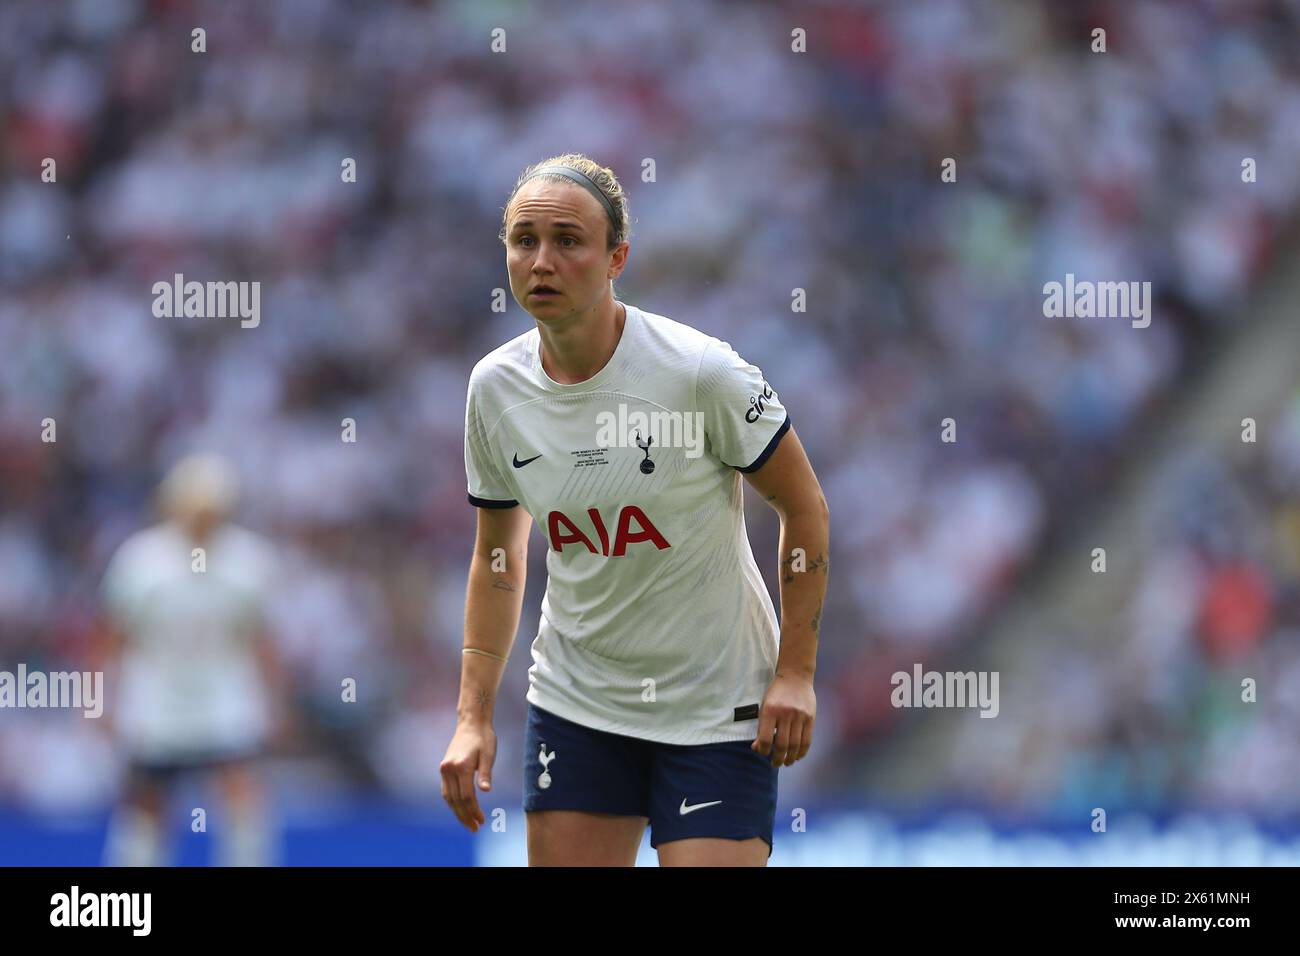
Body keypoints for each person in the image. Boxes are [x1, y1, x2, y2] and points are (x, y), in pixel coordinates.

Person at [440, 153, 830, 866]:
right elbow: (497, 559)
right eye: (524, 241)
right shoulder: (493, 389)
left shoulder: (699, 373)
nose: (543, 261)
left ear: (618, 256)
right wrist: (472, 716)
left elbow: (803, 508)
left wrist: (796, 673)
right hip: (578, 703)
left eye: (568, 240)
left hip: (716, 708)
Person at [99, 453, 284, 866]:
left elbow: (260, 640)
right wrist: (103, 701)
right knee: (146, 805)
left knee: (243, 801)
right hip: (156, 702)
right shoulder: (140, 562)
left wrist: (274, 702)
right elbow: (113, 638)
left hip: (225, 699)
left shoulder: (249, 562)